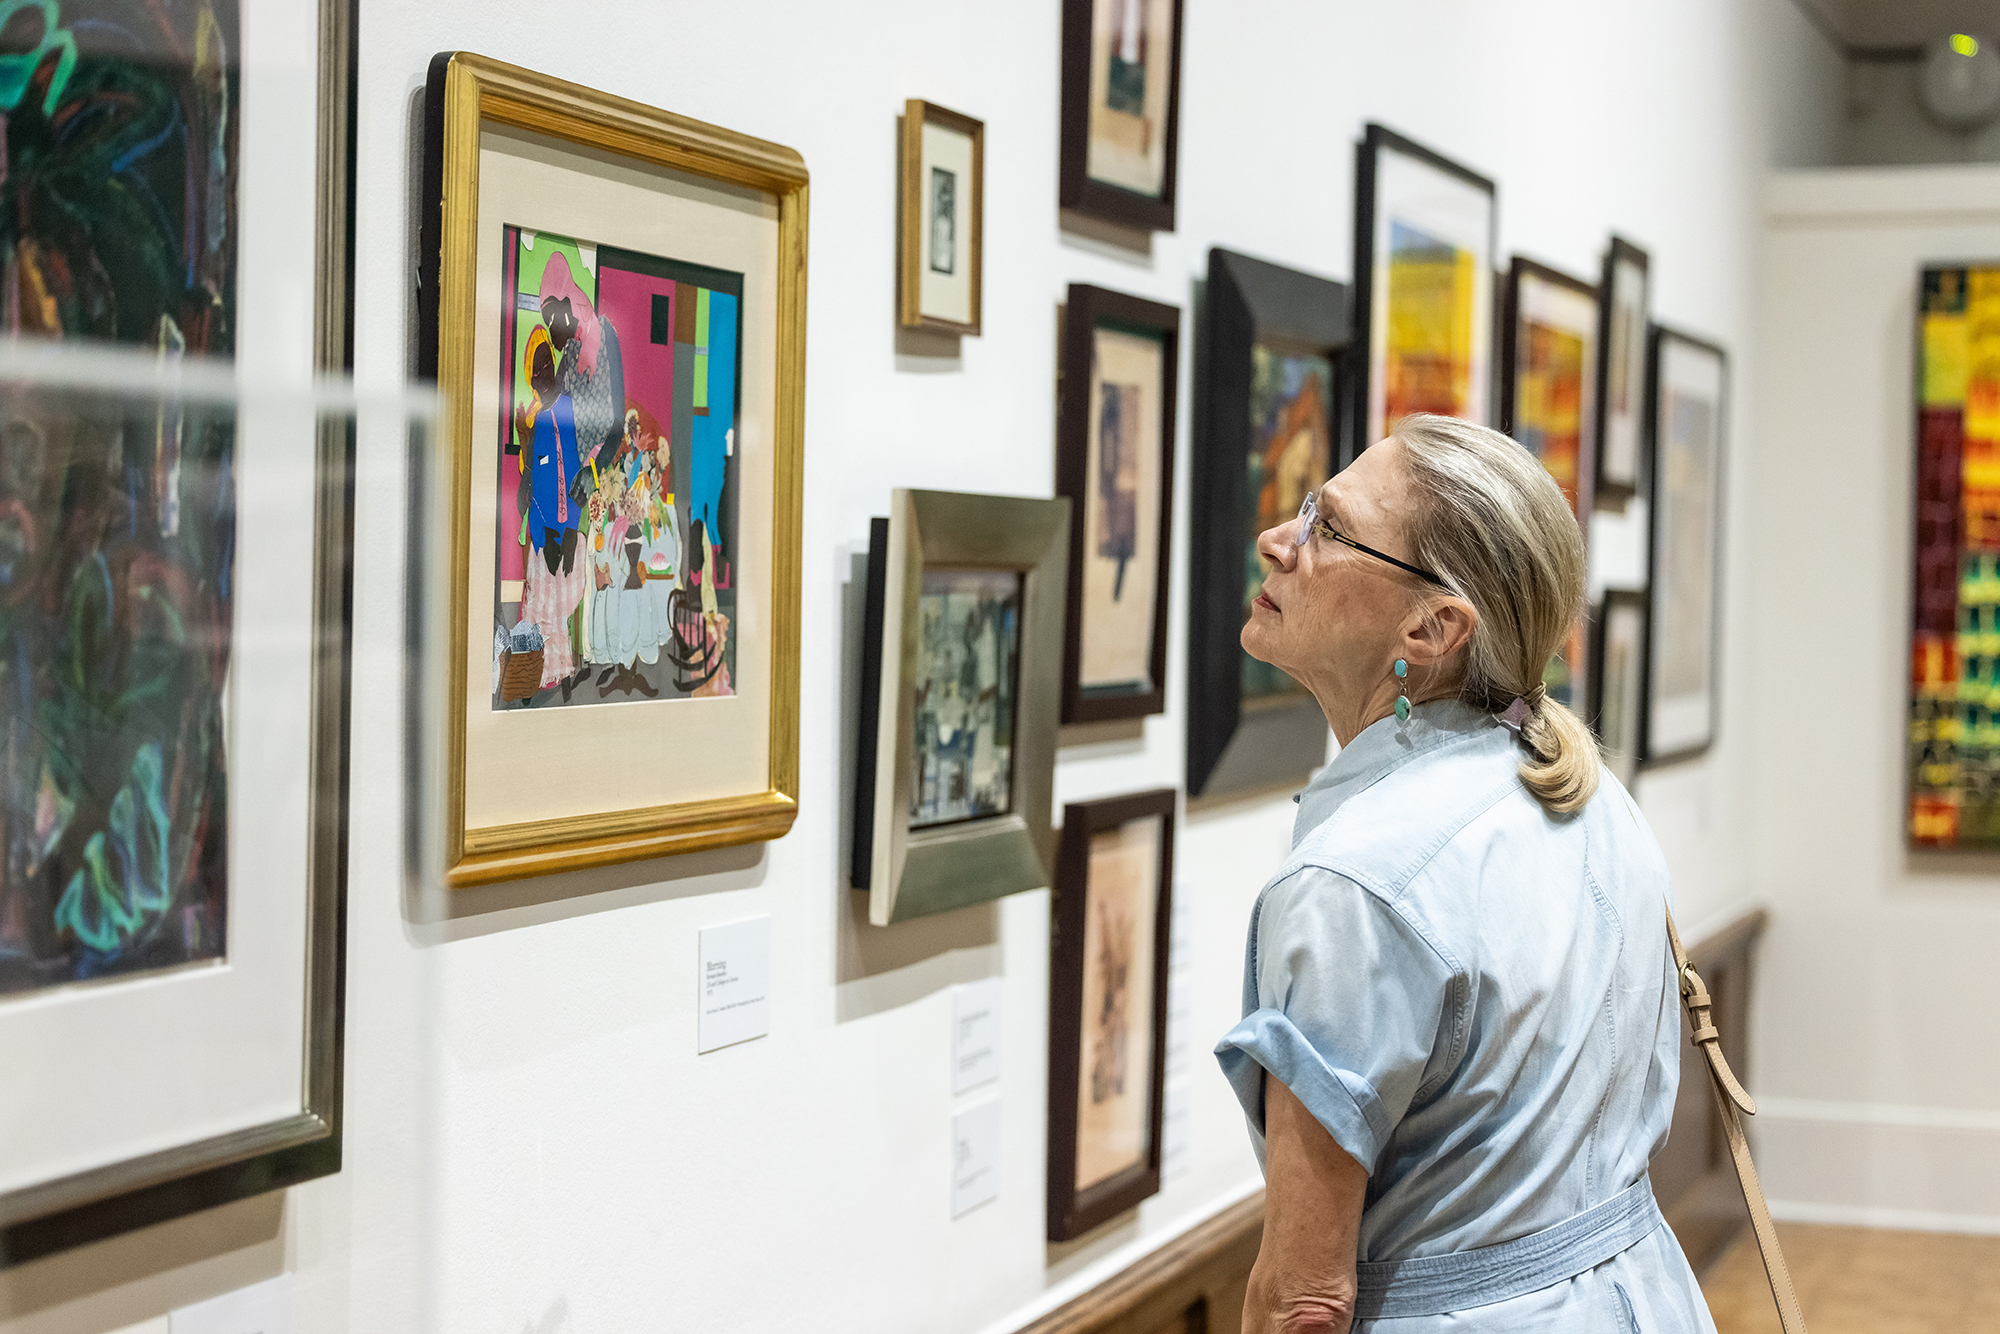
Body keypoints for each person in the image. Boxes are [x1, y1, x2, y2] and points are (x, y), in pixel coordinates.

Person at [1214, 414, 1714, 1333]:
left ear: (1433, 626)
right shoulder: (1595, 800)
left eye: (1329, 527)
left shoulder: (1355, 884)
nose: (1277, 540)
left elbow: (1305, 1300)